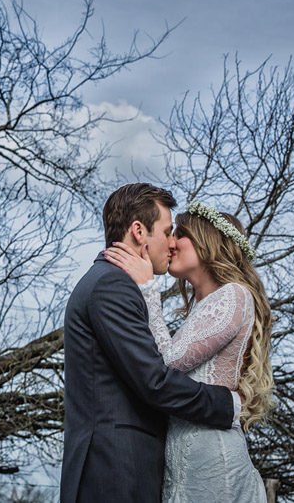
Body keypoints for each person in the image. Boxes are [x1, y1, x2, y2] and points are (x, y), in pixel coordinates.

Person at [62, 184, 242, 503]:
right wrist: (228, 404)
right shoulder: (111, 286)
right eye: (167, 231)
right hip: (114, 473)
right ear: (138, 231)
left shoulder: (113, 283)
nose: (172, 242)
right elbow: (154, 380)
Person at [103, 200, 275, 502]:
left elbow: (167, 364)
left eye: (179, 234)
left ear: (206, 243)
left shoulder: (233, 295)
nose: (170, 244)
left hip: (212, 460)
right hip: (185, 462)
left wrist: (147, 289)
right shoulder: (204, 305)